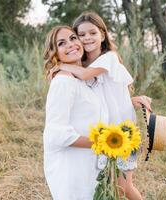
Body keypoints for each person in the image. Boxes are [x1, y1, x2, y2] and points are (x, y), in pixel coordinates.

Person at [49, 11, 152, 200]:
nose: (87, 38)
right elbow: (103, 98)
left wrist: (60, 66)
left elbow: (87, 76)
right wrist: (131, 100)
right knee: (110, 185)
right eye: (81, 34)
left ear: (103, 35)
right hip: (107, 133)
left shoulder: (108, 58)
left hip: (124, 132)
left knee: (123, 186)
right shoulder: (83, 64)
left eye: (93, 33)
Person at [43, 25, 102, 200]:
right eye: (61, 43)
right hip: (71, 166)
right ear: (55, 53)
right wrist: (102, 143)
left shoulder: (80, 79)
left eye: (73, 38)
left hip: (87, 161)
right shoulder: (63, 81)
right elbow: (58, 134)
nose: (70, 44)